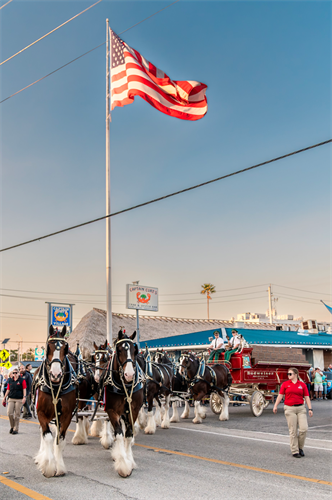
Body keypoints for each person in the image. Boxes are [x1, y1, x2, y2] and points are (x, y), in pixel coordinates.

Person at [273, 367, 313, 458]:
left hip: (301, 408)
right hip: (289, 408)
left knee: (304, 429)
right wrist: (275, 406)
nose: (288, 375)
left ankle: (300, 448)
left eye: (290, 374)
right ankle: (295, 451)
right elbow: (280, 396)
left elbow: (307, 397)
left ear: (296, 375)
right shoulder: (285, 384)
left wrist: (310, 409)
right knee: (293, 431)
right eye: (288, 374)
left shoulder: (302, 385)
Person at [3, 368, 27, 434]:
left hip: (19, 399)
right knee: (9, 413)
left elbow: (24, 389)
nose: (15, 374)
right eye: (14, 373)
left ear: (19, 373)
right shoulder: (10, 380)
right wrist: (4, 398)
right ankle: (12, 426)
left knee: (17, 414)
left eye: (16, 373)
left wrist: (24, 397)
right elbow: (8, 389)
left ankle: (16, 429)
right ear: (12, 374)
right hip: (11, 398)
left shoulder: (22, 380)